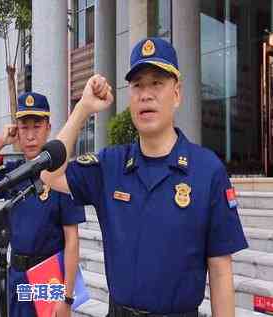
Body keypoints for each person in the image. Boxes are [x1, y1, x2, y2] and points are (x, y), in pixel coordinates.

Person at [41, 37, 248, 316]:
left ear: (177, 94)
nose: (145, 94)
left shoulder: (207, 170)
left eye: (157, 83)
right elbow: (50, 174)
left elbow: (221, 271)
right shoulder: (111, 165)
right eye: (137, 85)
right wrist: (84, 108)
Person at [0, 92, 86, 317]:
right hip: (17, 273)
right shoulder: (15, 172)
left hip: (47, 276)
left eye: (37, 127)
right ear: (17, 131)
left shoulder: (61, 174)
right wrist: (0, 142)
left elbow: (72, 239)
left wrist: (67, 297)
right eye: (24, 128)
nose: (30, 135)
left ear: (48, 128)